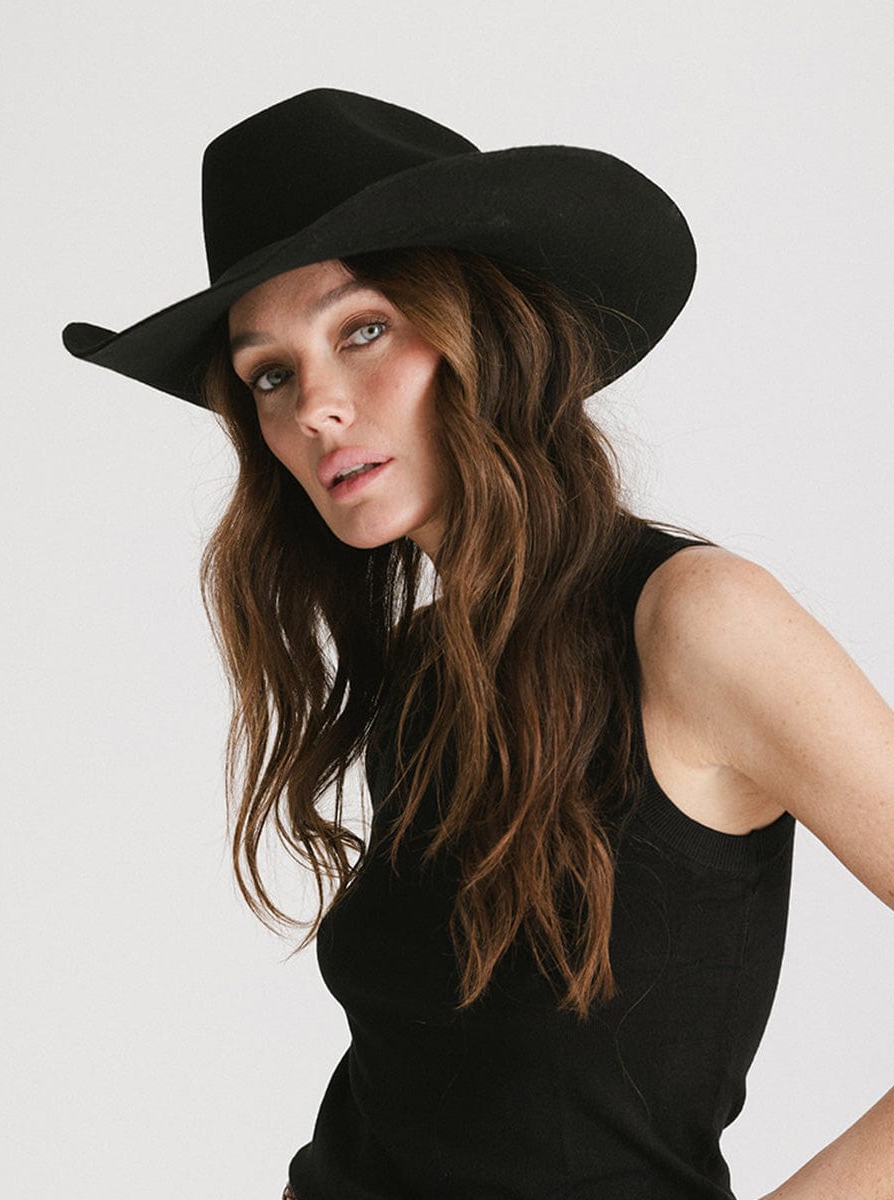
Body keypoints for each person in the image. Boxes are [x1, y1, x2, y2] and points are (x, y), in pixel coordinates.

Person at [62, 89, 894, 1200]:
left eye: (362, 330)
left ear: (484, 331)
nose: (313, 407)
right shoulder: (424, 668)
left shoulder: (697, 622)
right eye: (271, 375)